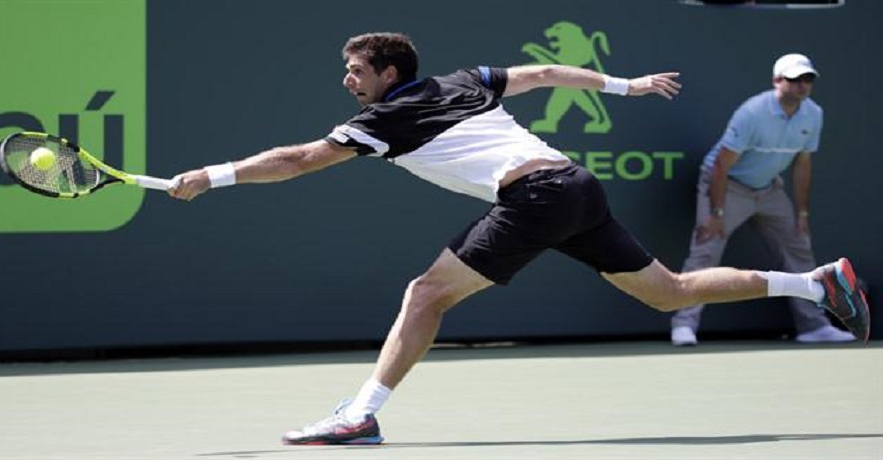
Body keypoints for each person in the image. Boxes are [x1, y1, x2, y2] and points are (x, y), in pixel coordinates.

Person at [167, 33, 870, 445]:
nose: (346, 78)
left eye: (356, 70)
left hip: (533, 195)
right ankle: (815, 283)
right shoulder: (462, 81)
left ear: (388, 73)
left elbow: (296, 160)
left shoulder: (387, 118)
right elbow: (540, 75)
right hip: (574, 184)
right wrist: (625, 85)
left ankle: (360, 418)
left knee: (425, 294)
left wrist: (211, 174)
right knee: (669, 293)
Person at [669, 53, 857, 346]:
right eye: (794, 79)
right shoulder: (753, 112)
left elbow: (803, 163)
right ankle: (684, 324)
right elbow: (721, 164)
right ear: (777, 81)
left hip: (769, 189)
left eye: (807, 79)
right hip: (727, 185)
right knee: (706, 249)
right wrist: (716, 212)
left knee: (799, 247)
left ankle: (813, 327)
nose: (802, 86)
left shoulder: (813, 114)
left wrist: (802, 214)